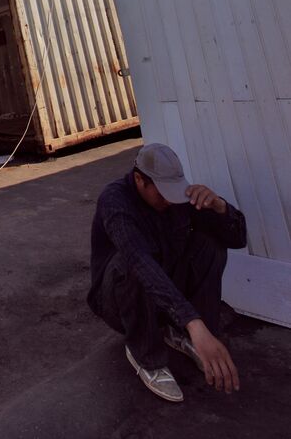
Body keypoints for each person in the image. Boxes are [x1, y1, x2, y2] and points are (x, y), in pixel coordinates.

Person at [87, 143, 247, 403]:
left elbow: (238, 239)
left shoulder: (176, 198)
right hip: (119, 302)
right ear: (140, 180)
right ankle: (146, 355)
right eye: (161, 193)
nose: (168, 200)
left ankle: (183, 334)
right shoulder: (115, 200)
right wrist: (193, 322)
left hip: (165, 296)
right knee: (131, 262)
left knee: (210, 245)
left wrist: (220, 208)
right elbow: (140, 262)